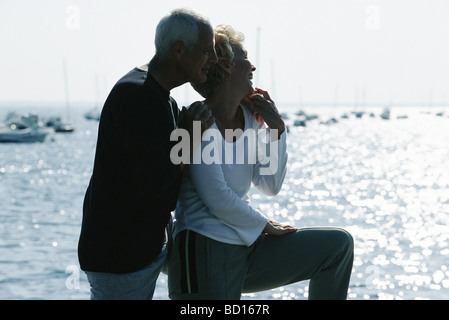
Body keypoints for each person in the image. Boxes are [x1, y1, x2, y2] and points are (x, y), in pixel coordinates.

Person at [166, 25, 354, 300]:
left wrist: (277, 130)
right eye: (244, 57)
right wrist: (266, 225)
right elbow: (216, 197)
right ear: (227, 65)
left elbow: (269, 185)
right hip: (203, 251)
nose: (252, 65)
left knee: (337, 246)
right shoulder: (198, 121)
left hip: (246, 245)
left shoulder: (250, 117)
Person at [77, 9, 217, 300]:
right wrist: (190, 137)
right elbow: (157, 189)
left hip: (126, 252)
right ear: (180, 51)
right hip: (119, 259)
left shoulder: (156, 95)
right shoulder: (139, 97)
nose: (213, 60)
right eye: (207, 51)